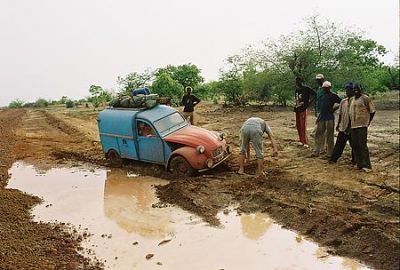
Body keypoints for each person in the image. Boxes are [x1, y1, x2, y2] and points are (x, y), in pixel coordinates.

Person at [349, 84, 376, 172]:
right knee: (354, 144)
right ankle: (359, 164)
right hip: (353, 125)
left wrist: (368, 121)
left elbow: (372, 111)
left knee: (362, 144)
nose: (356, 91)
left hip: (362, 125)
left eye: (357, 89)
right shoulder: (352, 99)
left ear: (360, 89)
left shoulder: (365, 98)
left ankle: (367, 165)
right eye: (354, 89)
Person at [312, 81, 341, 158]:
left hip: (329, 118)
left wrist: (335, 108)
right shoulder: (322, 96)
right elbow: (321, 108)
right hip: (322, 117)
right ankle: (316, 151)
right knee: (318, 134)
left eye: (326, 88)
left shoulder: (333, 96)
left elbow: (342, 102)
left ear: (329, 88)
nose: (325, 89)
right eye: (324, 88)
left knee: (329, 136)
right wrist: (318, 117)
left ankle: (329, 154)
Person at [329, 83, 355, 163]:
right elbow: (340, 114)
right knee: (339, 143)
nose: (347, 92)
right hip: (343, 126)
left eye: (348, 90)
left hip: (352, 127)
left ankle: (355, 160)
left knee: (354, 144)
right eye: (346, 90)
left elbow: (352, 115)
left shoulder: (355, 101)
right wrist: (338, 124)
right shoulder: (343, 101)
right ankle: (334, 159)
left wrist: (349, 126)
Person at [294, 77, 316, 147]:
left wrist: (309, 103)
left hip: (303, 109)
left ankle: (305, 142)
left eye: (299, 81)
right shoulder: (297, 90)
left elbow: (315, 95)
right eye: (297, 82)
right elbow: (296, 99)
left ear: (302, 81)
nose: (298, 83)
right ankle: (301, 140)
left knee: (303, 125)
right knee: (298, 125)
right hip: (298, 108)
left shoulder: (306, 89)